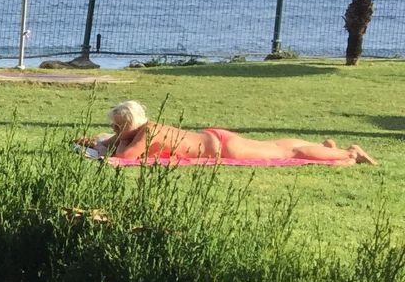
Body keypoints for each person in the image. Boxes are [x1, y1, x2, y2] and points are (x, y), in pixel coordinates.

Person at [79, 100, 376, 165]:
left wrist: (103, 147)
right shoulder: (143, 130)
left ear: (135, 122)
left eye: (119, 125)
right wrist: (99, 141)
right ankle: (326, 146)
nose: (115, 130)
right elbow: (116, 144)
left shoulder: (149, 133)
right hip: (216, 139)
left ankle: (350, 153)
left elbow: (124, 158)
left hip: (224, 149)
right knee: (276, 144)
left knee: (287, 153)